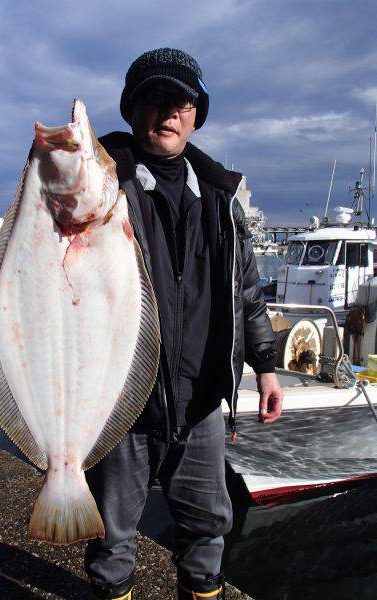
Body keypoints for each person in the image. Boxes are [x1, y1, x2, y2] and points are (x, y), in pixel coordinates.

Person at [85, 47, 283, 600]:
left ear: (197, 113)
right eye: (154, 98)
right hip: (122, 405)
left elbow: (247, 289)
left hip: (200, 405)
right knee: (111, 539)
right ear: (130, 110)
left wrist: (265, 366)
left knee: (207, 533)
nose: (167, 112)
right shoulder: (99, 184)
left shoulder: (220, 195)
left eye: (181, 100)